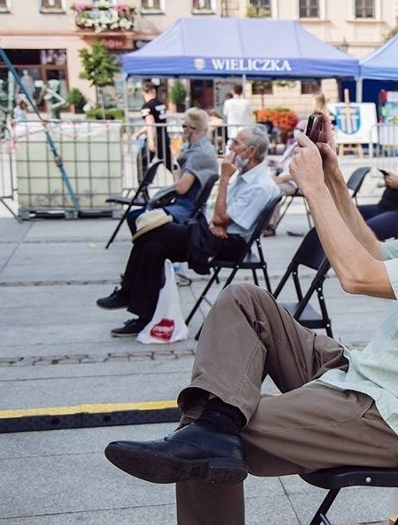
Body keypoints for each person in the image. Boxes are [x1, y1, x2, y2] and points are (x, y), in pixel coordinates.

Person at [102, 118, 398, 525]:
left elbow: (357, 276)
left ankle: (212, 491)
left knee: (204, 434)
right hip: (365, 374)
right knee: (244, 302)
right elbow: (372, 252)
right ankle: (214, 427)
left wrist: (312, 188)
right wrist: (331, 176)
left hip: (391, 418)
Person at [97, 126, 279, 337]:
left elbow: (221, 217)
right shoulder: (246, 175)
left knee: (153, 231)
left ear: (251, 152)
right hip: (215, 235)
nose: (231, 147)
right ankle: (142, 315)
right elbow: (217, 217)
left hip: (231, 244)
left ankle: (129, 294)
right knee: (152, 245)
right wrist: (218, 222)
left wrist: (225, 180)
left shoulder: (260, 185)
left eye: (236, 143)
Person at [127, 108, 218, 233]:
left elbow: (182, 188)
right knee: (135, 217)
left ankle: (151, 249)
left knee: (135, 217)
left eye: (183, 126)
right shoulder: (201, 149)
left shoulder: (199, 154)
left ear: (190, 129)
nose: (182, 130)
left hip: (185, 209)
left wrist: (176, 176)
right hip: (187, 207)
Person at [265, 118, 308, 235]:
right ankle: (261, 222)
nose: (296, 131)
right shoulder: (294, 144)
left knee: (273, 190)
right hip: (283, 178)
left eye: (300, 129)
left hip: (295, 184)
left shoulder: (306, 149)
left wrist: (280, 179)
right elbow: (284, 162)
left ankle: (270, 225)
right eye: (296, 129)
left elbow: (302, 173)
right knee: (260, 186)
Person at [133, 82, 173, 173]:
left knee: (141, 161)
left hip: (155, 138)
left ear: (144, 93)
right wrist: (140, 132)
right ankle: (180, 180)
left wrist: (151, 141)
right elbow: (154, 123)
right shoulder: (160, 105)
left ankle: (143, 186)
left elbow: (151, 124)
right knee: (169, 164)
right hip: (164, 137)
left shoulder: (147, 107)